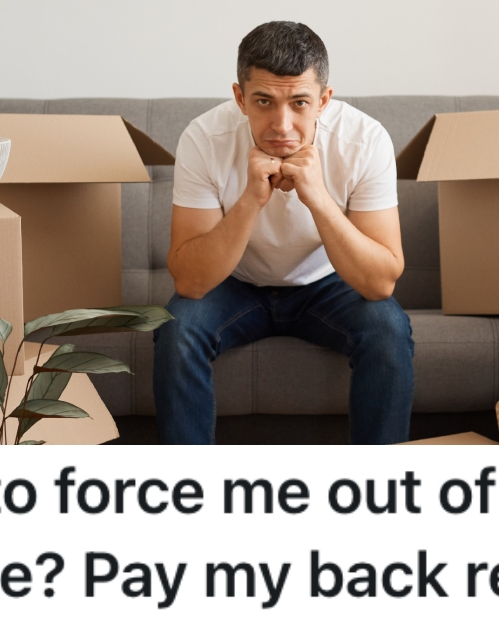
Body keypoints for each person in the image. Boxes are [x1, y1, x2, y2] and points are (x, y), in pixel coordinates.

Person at [154, 21, 413, 444]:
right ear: (239, 98)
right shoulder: (203, 138)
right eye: (263, 101)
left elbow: (381, 281)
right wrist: (252, 199)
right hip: (235, 285)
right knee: (177, 328)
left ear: (324, 101)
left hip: (328, 283)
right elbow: (191, 280)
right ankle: (187, 493)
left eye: (299, 103)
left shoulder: (364, 141)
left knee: (388, 328)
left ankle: (380, 493)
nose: (282, 124)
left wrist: (318, 198)